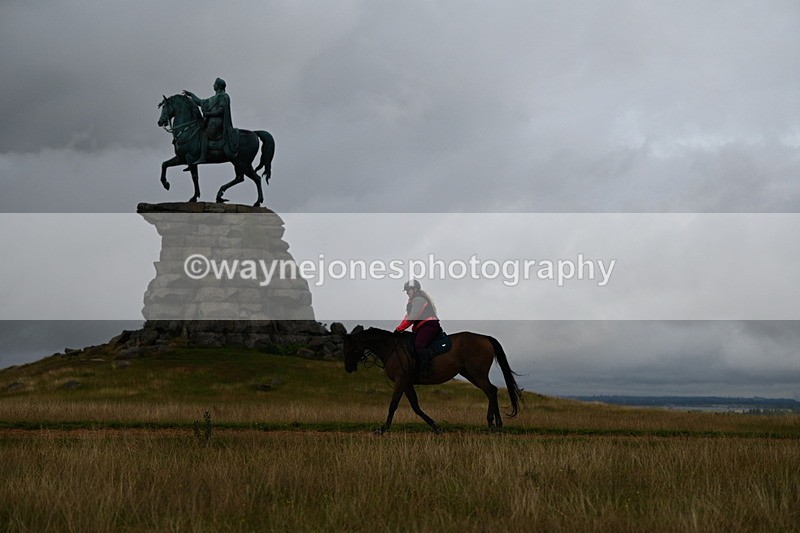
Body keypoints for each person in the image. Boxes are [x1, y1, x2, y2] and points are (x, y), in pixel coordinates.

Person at [182, 78, 240, 165]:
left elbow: (221, 111)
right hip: (211, 122)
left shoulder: (223, 96)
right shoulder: (213, 98)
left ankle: (202, 157)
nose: (213, 85)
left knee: (204, 135)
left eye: (215, 84)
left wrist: (208, 114)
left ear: (219, 86)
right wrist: (191, 95)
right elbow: (201, 102)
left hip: (218, 123)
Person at [394, 280, 442, 378]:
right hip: (422, 326)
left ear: (415, 289)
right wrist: (398, 328)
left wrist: (399, 329)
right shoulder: (411, 302)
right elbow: (407, 317)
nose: (407, 292)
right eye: (406, 290)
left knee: (419, 345)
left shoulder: (419, 299)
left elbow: (412, 318)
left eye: (408, 290)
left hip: (429, 325)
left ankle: (425, 369)